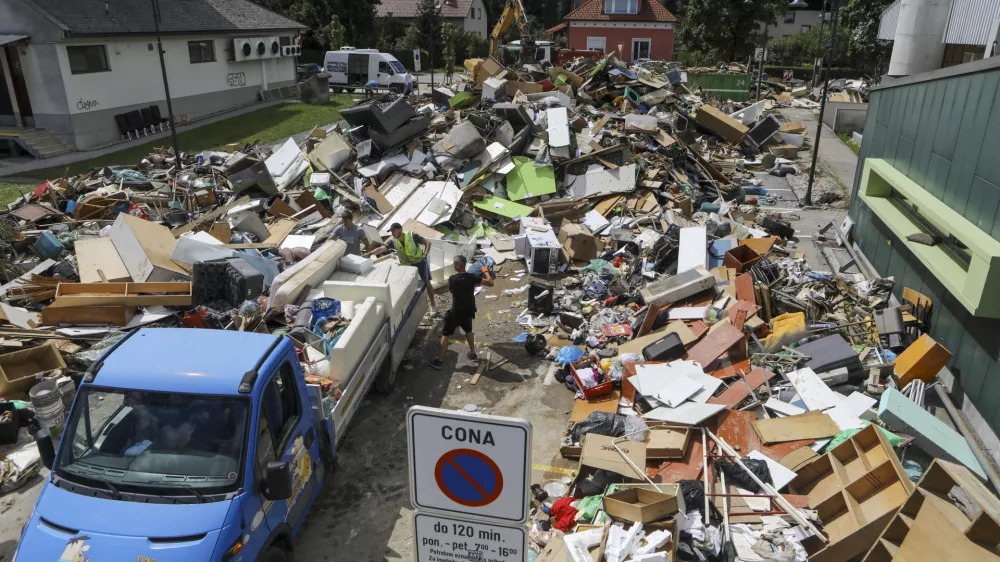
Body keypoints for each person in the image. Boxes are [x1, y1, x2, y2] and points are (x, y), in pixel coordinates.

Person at [429, 255, 493, 370]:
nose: (453, 265)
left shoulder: (452, 279)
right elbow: (490, 283)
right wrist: (485, 271)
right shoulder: (472, 277)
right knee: (468, 331)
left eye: (454, 263)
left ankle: (440, 361)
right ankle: (473, 353)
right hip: (468, 310)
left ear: (458, 265)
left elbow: (451, 290)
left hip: (456, 311)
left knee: (446, 334)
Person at [388, 222, 437, 314]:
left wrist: (425, 254)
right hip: (407, 266)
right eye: (391, 232)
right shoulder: (393, 241)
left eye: (393, 231)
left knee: (427, 283)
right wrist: (370, 253)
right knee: (407, 286)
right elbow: (382, 248)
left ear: (400, 229)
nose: (392, 234)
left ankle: (433, 305)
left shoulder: (412, 236)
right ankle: (411, 308)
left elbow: (427, 242)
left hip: (419, 262)